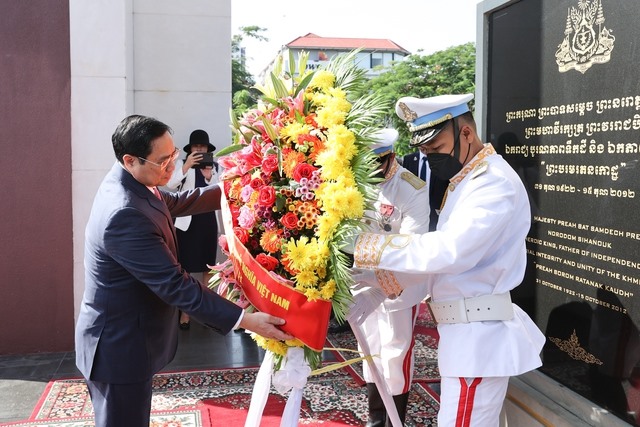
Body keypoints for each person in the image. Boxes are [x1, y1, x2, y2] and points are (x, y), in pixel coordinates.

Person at [75, 115, 293, 427]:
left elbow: (177, 201)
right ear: (129, 159)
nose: (171, 166)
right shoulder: (123, 211)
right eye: (163, 160)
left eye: (174, 155)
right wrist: (244, 319)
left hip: (130, 338)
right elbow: (176, 285)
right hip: (119, 346)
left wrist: (243, 187)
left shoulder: (133, 181)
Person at [347, 94, 546, 426]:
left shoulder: (492, 183)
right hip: (465, 336)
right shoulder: (467, 182)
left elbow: (449, 250)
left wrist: (363, 244)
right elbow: (438, 269)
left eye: (437, 148)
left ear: (465, 133)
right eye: (425, 152)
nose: (431, 158)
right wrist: (374, 290)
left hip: (477, 339)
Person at [354, 128, 431, 426]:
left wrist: (380, 282)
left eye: (378, 164)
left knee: (395, 352)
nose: (372, 171)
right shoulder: (354, 181)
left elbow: (411, 247)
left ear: (391, 157)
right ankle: (376, 419)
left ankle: (394, 421)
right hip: (361, 280)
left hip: (398, 286)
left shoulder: (412, 188)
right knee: (368, 349)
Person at [165, 129, 219, 330]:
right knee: (185, 267)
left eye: (202, 147)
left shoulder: (214, 167)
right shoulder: (180, 164)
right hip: (187, 223)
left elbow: (219, 190)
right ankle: (185, 313)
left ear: (207, 148)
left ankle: (206, 312)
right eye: (196, 147)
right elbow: (170, 185)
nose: (199, 149)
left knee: (208, 268)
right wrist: (186, 166)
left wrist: (207, 177)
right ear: (190, 149)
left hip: (208, 221)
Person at [402, 145, 449, 231]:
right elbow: (405, 186)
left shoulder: (442, 160)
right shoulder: (408, 160)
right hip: (414, 214)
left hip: (437, 214)